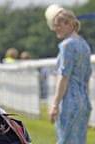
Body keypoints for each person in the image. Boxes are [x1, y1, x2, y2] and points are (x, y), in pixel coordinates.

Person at [45, 4, 92, 144]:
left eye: (58, 25)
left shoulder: (67, 45)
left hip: (69, 103)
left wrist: (54, 105)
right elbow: (86, 78)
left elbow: (64, 77)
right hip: (84, 102)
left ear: (70, 24)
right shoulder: (84, 45)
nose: (55, 29)